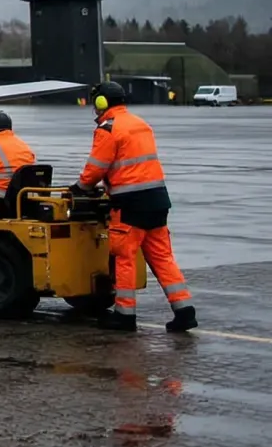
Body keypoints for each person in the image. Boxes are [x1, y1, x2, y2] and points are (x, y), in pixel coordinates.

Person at [72, 81, 196, 333]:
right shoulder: (141, 124)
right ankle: (184, 310)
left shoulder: (108, 128)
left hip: (129, 205)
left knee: (124, 258)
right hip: (158, 200)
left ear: (101, 103)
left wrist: (80, 188)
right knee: (163, 258)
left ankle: (124, 315)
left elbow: (96, 167)